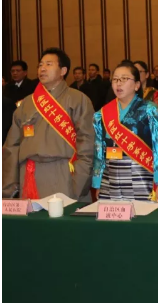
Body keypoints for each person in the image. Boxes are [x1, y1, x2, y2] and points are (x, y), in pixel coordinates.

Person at [3, 48, 95, 202]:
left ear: (63, 71)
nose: (42, 68)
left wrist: (79, 181)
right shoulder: (27, 103)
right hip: (29, 175)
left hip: (64, 174)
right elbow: (12, 146)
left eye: (49, 64)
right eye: (40, 65)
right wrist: (9, 187)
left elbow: (87, 142)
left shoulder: (78, 99)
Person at [93, 62, 158, 201]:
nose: (118, 83)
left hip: (142, 175)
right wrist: (98, 182)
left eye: (124, 79)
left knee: (142, 213)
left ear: (136, 85)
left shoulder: (150, 110)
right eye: (115, 79)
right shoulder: (101, 114)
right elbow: (99, 150)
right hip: (110, 177)